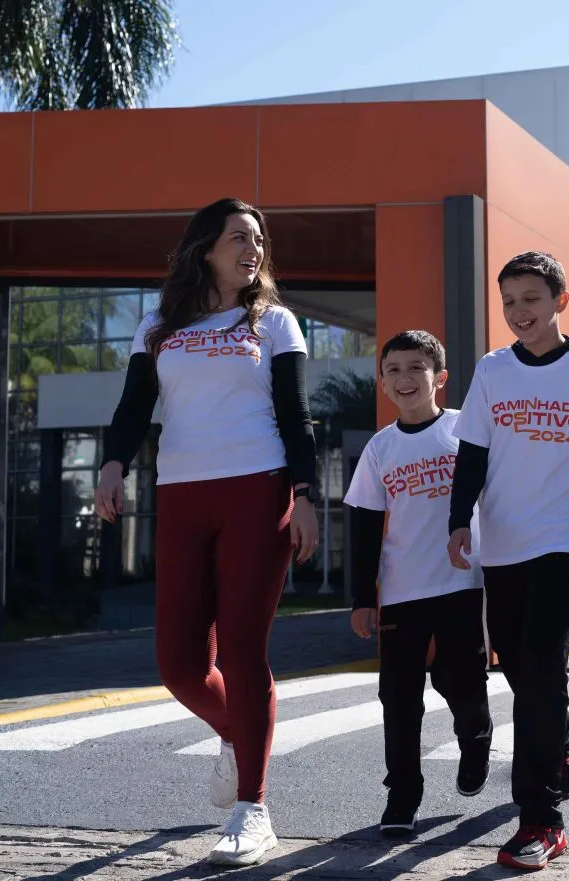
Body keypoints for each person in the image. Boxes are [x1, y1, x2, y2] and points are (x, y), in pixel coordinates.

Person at [94, 197, 319, 868]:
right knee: (179, 662)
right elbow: (134, 406)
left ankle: (254, 806)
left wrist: (305, 494)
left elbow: (297, 414)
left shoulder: (274, 321)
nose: (252, 249)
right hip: (182, 494)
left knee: (245, 646)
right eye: (238, 238)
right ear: (205, 249)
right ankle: (237, 733)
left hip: (260, 487)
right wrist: (111, 464)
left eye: (258, 240)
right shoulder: (159, 326)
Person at [447, 251, 569, 871]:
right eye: (508, 301)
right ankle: (559, 732)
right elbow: (471, 453)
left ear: (560, 300)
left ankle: (541, 819)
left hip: (566, 537)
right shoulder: (493, 371)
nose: (518, 311)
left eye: (530, 298)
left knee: (540, 662)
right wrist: (458, 521)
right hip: (502, 540)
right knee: (516, 659)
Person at [344, 329, 493, 838]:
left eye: (416, 368)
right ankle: (402, 793)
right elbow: (363, 528)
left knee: (460, 679)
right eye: (394, 370)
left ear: (440, 378)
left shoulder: (464, 431)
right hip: (403, 590)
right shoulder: (379, 450)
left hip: (462, 581)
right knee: (398, 694)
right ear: (382, 382)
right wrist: (364, 598)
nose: (404, 378)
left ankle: (476, 739)